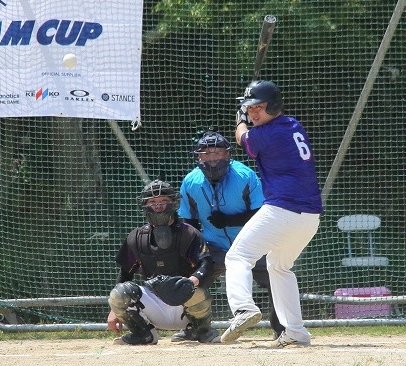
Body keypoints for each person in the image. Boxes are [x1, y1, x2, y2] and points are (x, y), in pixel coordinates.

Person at [220, 80, 324, 347]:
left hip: (282, 210)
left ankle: (243, 308)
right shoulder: (292, 125)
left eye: (259, 107)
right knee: (278, 266)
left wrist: (240, 120)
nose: (253, 112)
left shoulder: (267, 133)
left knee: (238, 257)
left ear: (274, 105)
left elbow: (242, 139)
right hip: (309, 217)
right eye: (250, 108)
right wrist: (247, 113)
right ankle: (296, 332)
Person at [177, 130, 285, 340]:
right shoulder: (190, 182)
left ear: (228, 154)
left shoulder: (245, 175)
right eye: (206, 153)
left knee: (276, 276)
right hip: (214, 246)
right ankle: (197, 328)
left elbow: (261, 213)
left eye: (217, 152)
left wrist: (229, 220)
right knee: (192, 280)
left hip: (252, 243)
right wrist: (193, 252)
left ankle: (282, 329)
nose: (212, 158)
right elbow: (188, 221)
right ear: (198, 157)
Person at [106, 180, 218, 344]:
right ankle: (144, 334)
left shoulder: (188, 233)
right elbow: (125, 274)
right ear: (144, 206)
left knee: (197, 290)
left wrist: (190, 282)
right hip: (154, 305)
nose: (158, 206)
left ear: (173, 203)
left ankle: (200, 330)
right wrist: (114, 310)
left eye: (163, 201)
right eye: (152, 202)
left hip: (185, 305)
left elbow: (206, 264)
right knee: (119, 292)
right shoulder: (136, 237)